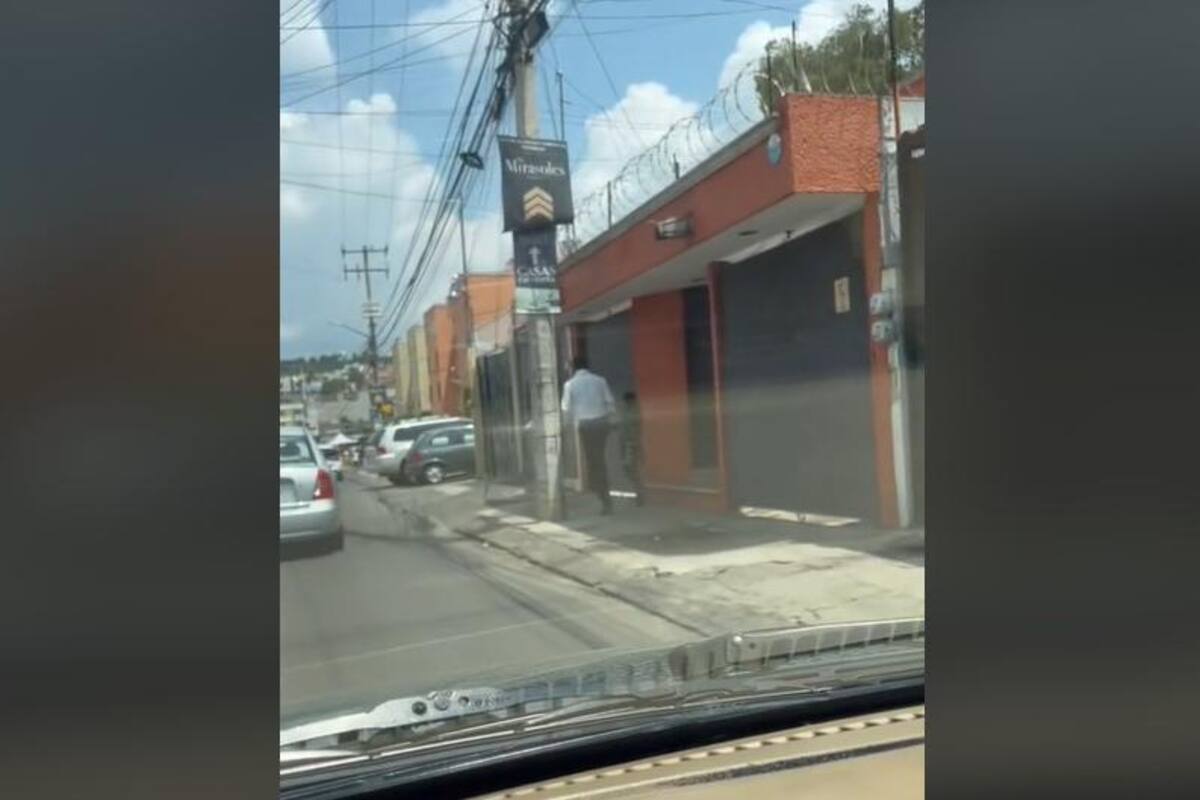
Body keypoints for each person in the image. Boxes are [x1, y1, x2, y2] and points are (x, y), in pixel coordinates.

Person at [561, 356, 616, 514]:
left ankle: (602, 494)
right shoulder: (600, 380)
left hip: (585, 426)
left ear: (573, 368)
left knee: (593, 460)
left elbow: (566, 409)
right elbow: (610, 402)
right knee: (600, 458)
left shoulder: (570, 384)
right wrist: (611, 419)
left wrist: (565, 427)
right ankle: (602, 493)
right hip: (601, 423)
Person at [619, 392, 645, 506]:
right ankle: (639, 491)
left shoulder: (631, 413)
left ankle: (640, 493)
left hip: (630, 444)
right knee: (631, 469)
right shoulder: (631, 412)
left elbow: (632, 430)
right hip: (629, 443)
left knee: (630, 469)